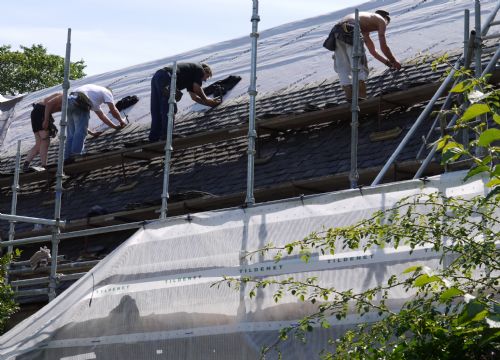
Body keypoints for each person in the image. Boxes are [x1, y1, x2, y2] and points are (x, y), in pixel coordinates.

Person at [332, 9, 401, 101]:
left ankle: (349, 94)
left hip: (336, 31)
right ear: (386, 19)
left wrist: (388, 63)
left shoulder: (364, 23)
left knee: (342, 64)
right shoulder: (381, 20)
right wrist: (394, 61)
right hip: (351, 29)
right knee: (358, 62)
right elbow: (383, 46)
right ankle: (361, 96)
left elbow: (372, 51)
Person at [149, 62, 221, 142]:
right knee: (170, 107)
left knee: (157, 108)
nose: (204, 80)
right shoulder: (199, 69)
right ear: (205, 71)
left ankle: (154, 137)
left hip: (158, 76)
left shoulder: (190, 76)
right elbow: (197, 88)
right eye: (206, 77)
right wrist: (207, 100)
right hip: (167, 77)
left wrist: (208, 103)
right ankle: (166, 134)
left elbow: (194, 98)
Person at [65, 84, 127, 160]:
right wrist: (121, 121)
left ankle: (66, 158)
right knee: (80, 132)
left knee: (72, 133)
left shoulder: (93, 97)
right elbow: (113, 109)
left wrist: (114, 127)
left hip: (68, 101)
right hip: (80, 100)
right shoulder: (106, 91)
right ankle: (76, 156)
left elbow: (102, 116)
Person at [23, 93, 63, 171]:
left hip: (37, 112)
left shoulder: (63, 99)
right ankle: (44, 165)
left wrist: (49, 120)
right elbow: (48, 104)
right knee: (45, 140)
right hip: (41, 111)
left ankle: (26, 164)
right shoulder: (63, 96)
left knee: (39, 143)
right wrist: (46, 120)